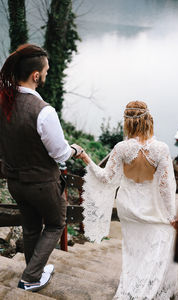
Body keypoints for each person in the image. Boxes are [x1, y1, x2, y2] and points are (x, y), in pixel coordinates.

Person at [0, 44, 82, 292]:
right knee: (56, 224)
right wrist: (74, 150)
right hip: (42, 185)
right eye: (46, 70)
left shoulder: (3, 102)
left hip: (14, 181)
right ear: (36, 75)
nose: (47, 73)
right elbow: (60, 153)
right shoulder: (44, 112)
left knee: (31, 225)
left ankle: (33, 269)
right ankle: (31, 277)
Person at [80, 101, 177, 299]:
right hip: (151, 209)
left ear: (128, 123)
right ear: (149, 120)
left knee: (133, 252)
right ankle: (146, 289)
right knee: (161, 240)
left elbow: (106, 177)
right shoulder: (161, 149)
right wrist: (171, 215)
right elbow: (165, 187)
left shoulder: (121, 148)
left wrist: (85, 158)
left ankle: (133, 285)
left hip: (128, 208)